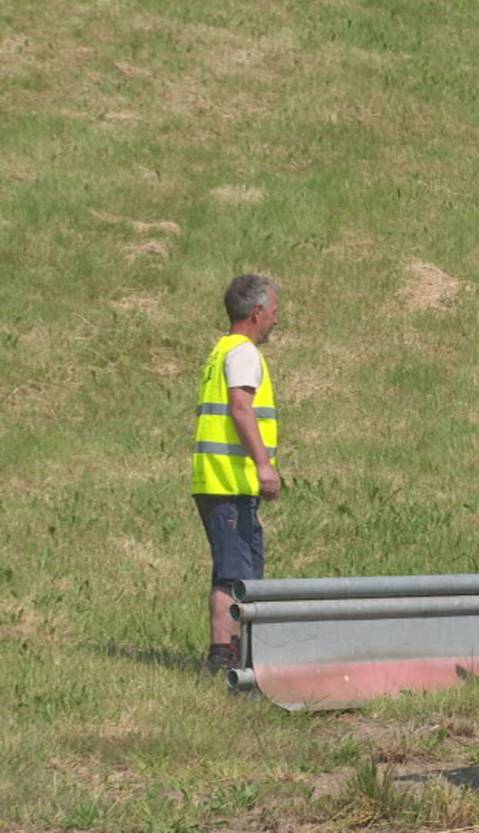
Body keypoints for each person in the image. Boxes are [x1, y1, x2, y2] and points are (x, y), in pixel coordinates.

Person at [192, 274, 281, 674]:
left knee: (232, 570)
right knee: (236, 574)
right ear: (257, 312)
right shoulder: (243, 353)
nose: (276, 321)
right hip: (229, 481)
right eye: (274, 313)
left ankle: (229, 654)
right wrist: (264, 465)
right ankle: (228, 659)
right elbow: (241, 410)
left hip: (217, 480)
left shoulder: (221, 350)